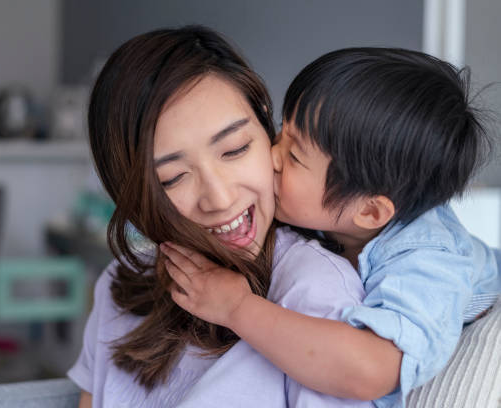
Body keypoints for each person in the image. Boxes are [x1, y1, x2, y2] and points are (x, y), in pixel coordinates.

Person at [162, 47, 501, 407]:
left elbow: (369, 370)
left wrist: (237, 308)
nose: (272, 156)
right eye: (282, 132)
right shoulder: (333, 216)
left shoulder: (428, 261)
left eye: (293, 156)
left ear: (370, 212)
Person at [68, 26, 378, 407]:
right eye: (173, 177)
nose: (219, 197)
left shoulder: (314, 292)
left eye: (234, 149)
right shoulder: (121, 285)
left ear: (267, 128)